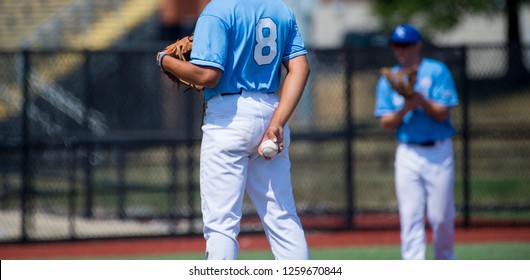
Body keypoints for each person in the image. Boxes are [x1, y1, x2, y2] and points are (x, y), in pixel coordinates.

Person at [156, 0, 310, 260]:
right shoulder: (281, 9)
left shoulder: (218, 10)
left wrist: (164, 62)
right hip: (271, 108)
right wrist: (277, 122)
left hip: (229, 115)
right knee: (282, 217)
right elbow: (300, 68)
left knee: (221, 224)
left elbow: (208, 76)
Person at [374, 24, 459, 260]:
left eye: (406, 44)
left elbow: (442, 113)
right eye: (396, 45)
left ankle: (445, 262)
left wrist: (419, 100)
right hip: (408, 152)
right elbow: (386, 122)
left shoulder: (436, 71)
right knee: (410, 215)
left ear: (418, 45)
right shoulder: (390, 79)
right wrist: (406, 107)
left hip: (439, 151)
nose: (400, 50)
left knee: (441, 217)